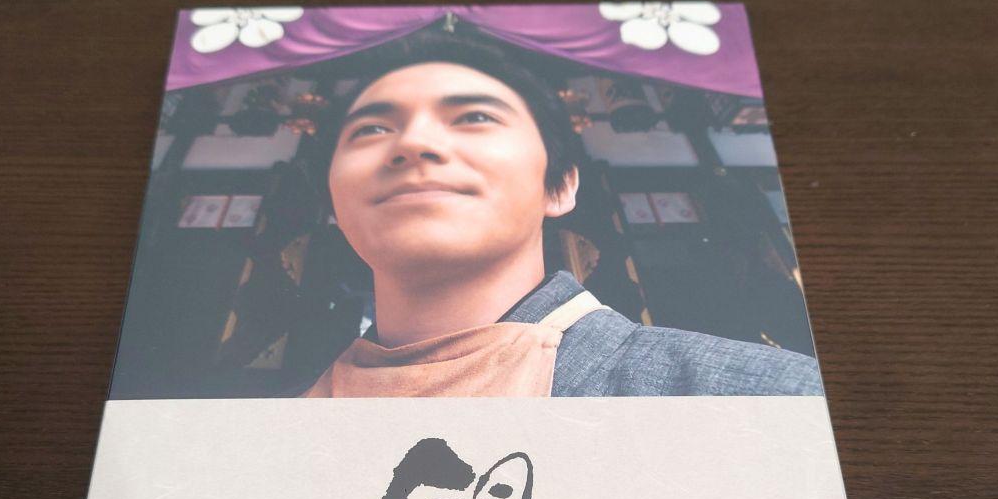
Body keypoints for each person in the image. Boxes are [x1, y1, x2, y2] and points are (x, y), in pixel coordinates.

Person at [298, 28, 822, 398]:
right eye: (371, 129)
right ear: (333, 200)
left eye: (474, 117)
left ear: (561, 186)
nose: (414, 143)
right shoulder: (278, 425)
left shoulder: (764, 398)